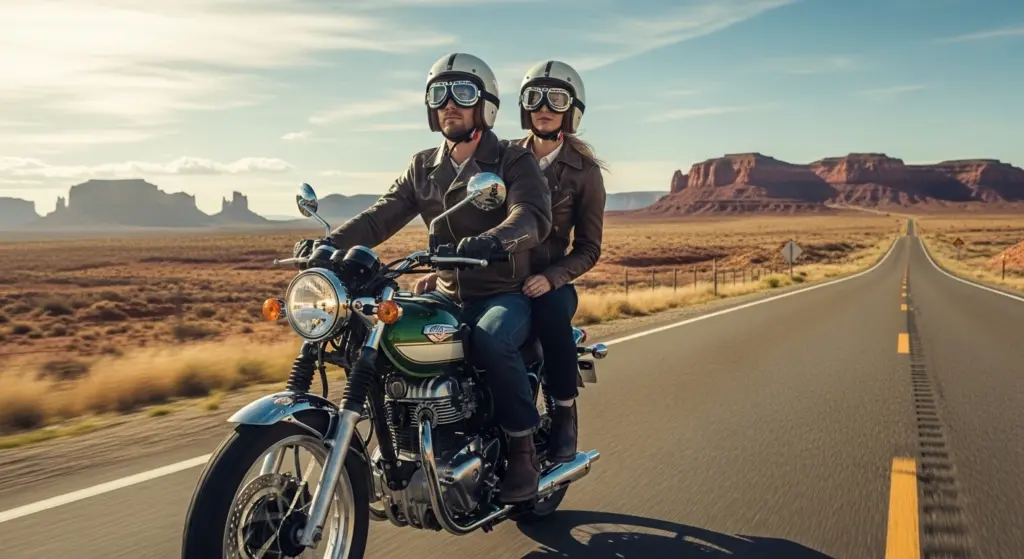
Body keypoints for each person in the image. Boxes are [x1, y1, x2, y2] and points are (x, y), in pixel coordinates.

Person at [293, 53, 552, 503]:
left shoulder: (512, 159)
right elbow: (380, 217)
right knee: (378, 332)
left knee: (489, 339)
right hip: (448, 294)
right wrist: (328, 246)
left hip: (502, 292)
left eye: (463, 92)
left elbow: (530, 217)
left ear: (485, 104)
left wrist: (492, 241)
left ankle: (523, 451)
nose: (449, 103)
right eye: (440, 94)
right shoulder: (423, 166)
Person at [512, 60, 606, 463]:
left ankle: (564, 414)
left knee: (551, 315)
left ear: (572, 110)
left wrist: (552, 277)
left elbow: (588, 247)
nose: (544, 106)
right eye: (535, 98)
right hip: (500, 278)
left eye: (556, 98)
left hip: (551, 282)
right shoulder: (502, 159)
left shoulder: (584, 173)